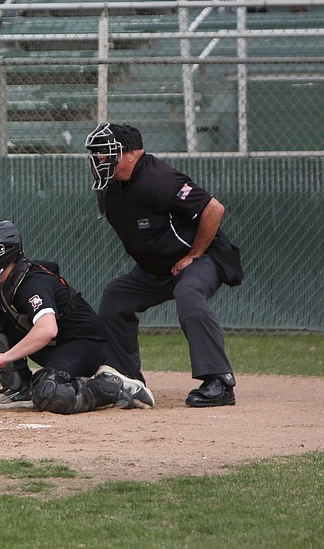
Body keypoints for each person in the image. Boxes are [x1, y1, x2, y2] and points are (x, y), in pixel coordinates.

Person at [84, 123, 244, 408]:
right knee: (116, 295)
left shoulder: (158, 179)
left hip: (201, 259)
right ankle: (126, 380)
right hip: (156, 270)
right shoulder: (111, 188)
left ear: (132, 154)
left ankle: (219, 381)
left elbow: (213, 208)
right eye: (96, 154)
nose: (99, 159)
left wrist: (194, 254)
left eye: (107, 153)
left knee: (189, 295)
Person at [0, 220, 154, 414]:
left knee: (49, 394)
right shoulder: (9, 280)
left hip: (85, 345)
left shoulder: (31, 283)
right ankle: (19, 389)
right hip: (58, 344)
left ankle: (114, 386)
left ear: (6, 255)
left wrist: (5, 357)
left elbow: (47, 329)